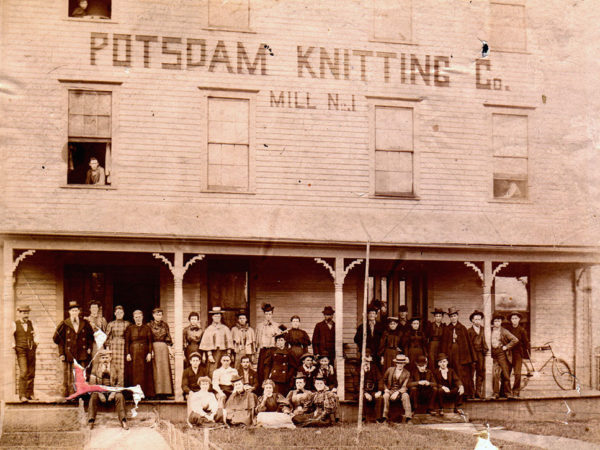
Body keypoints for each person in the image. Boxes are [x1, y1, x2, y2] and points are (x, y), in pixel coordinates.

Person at [53, 301, 94, 397]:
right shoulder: (64, 324)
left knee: (81, 374)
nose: (75, 312)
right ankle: (71, 394)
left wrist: (89, 347)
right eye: (73, 311)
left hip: (82, 353)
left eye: (76, 310)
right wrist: (61, 353)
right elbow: (58, 339)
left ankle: (81, 394)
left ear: (79, 312)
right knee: (69, 375)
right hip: (69, 353)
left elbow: (90, 337)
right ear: (69, 312)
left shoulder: (85, 323)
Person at [87, 349, 128, 430]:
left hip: (113, 390)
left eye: (106, 357)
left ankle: (123, 421)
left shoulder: (116, 367)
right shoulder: (95, 367)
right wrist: (100, 393)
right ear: (99, 359)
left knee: (120, 396)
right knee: (93, 397)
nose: (105, 360)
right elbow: (92, 383)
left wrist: (113, 393)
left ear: (110, 358)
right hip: (100, 390)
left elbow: (120, 383)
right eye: (102, 358)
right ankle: (91, 421)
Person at [441, 307, 475, 398]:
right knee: (451, 372)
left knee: (462, 373)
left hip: (461, 355)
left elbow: (466, 344)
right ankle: (452, 393)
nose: (453, 318)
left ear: (457, 316)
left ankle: (464, 394)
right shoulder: (447, 329)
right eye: (451, 316)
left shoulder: (462, 328)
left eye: (455, 316)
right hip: (450, 354)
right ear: (450, 318)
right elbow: (444, 343)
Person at [124, 310, 155, 398]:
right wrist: (128, 354)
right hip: (133, 353)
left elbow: (150, 342)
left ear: (142, 317)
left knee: (145, 373)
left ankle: (145, 393)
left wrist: (149, 353)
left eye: (139, 317)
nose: (138, 319)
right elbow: (127, 342)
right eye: (136, 317)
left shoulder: (147, 328)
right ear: (133, 318)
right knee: (134, 373)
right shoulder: (130, 328)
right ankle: (134, 393)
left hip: (144, 353)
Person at [12, 305, 38, 401]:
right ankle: (22, 395)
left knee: (31, 372)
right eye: (23, 313)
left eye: (27, 313)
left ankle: (30, 394)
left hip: (31, 350)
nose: (26, 315)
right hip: (21, 351)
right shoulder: (14, 324)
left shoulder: (32, 324)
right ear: (19, 313)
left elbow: (37, 335)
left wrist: (35, 344)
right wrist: (14, 347)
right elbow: (10, 336)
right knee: (24, 372)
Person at [199, 306, 234, 378]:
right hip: (214, 353)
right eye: (215, 316)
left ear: (221, 317)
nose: (217, 318)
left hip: (223, 352)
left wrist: (229, 353)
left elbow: (229, 342)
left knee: (224, 368)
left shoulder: (225, 328)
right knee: (213, 369)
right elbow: (207, 343)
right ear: (212, 317)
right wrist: (209, 355)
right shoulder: (209, 329)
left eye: (218, 316)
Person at [490, 313, 518, 399]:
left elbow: (515, 340)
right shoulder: (489, 331)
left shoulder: (504, 331)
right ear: (493, 322)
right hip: (493, 354)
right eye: (495, 321)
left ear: (501, 322)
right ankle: (495, 393)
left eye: (498, 321)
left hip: (501, 353)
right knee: (495, 374)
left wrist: (506, 347)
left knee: (505, 374)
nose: (497, 323)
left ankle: (508, 393)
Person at [148, 308, 174, 398]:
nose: (158, 316)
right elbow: (148, 339)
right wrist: (150, 350)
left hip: (163, 348)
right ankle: (155, 392)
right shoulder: (149, 325)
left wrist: (170, 350)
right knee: (156, 370)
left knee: (164, 370)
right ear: (153, 315)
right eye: (156, 314)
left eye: (160, 314)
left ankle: (165, 392)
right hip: (154, 348)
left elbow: (168, 338)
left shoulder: (165, 325)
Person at [379, 354, 412, 423]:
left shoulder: (407, 373)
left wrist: (398, 392)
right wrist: (385, 389)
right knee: (385, 396)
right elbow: (383, 380)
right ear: (396, 363)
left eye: (402, 363)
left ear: (404, 364)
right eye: (398, 363)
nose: (400, 365)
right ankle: (384, 417)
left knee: (406, 396)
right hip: (390, 390)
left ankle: (408, 418)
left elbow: (405, 386)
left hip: (400, 391)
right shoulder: (390, 370)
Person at [255, 303, 281, 388]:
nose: (268, 316)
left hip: (273, 349)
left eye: (270, 314)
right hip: (263, 350)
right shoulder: (259, 326)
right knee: (262, 369)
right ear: (264, 315)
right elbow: (257, 339)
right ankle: (262, 388)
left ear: (272, 314)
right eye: (266, 314)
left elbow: (281, 338)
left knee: (272, 369)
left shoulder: (277, 325)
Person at [105, 305, 130, 386]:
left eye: (121, 312)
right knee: (113, 367)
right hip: (113, 346)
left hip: (123, 346)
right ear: (115, 313)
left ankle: (121, 386)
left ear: (123, 314)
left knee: (122, 368)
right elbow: (107, 337)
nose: (119, 314)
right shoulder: (111, 324)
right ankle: (113, 386)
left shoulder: (127, 324)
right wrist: (108, 349)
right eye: (117, 312)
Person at [506, 311, 530, 397]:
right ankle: (507, 392)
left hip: (518, 354)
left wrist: (525, 354)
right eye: (512, 318)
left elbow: (526, 343)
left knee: (517, 373)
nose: (514, 320)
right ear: (510, 320)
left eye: (516, 318)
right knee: (506, 373)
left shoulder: (522, 330)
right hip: (508, 354)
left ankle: (516, 391)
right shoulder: (508, 330)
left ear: (519, 319)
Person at [467, 310, 489, 400]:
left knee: (480, 372)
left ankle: (478, 392)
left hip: (480, 353)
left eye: (479, 319)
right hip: (472, 354)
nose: (477, 321)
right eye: (475, 319)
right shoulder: (469, 331)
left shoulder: (484, 330)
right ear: (472, 320)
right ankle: (471, 392)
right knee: (471, 373)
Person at [85, 301, 108, 372]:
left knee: (101, 361)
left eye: (96, 307)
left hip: (100, 344)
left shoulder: (102, 320)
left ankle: (99, 379)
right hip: (91, 343)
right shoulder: (87, 319)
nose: (94, 309)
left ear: (98, 309)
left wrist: (106, 345)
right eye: (92, 307)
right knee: (93, 362)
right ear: (90, 309)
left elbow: (106, 332)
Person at [361, 350, 383, 422]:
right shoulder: (358, 369)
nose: (366, 362)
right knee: (362, 398)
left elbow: (380, 379)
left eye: (368, 360)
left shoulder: (375, 368)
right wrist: (365, 393)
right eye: (365, 360)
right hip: (363, 391)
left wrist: (379, 391)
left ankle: (378, 419)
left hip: (373, 391)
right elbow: (356, 384)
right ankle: (363, 419)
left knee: (379, 398)